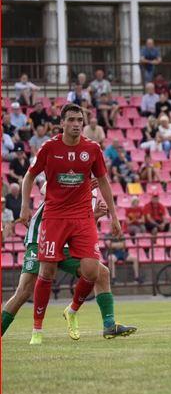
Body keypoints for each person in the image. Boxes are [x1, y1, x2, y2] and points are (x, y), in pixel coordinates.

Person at [17, 104, 122, 345]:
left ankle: (72, 310)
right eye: (72, 120)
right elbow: (30, 176)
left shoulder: (92, 149)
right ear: (62, 123)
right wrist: (24, 206)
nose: (76, 124)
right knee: (47, 272)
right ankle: (37, 330)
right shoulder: (49, 147)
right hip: (54, 217)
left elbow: (103, 181)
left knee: (92, 271)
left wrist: (114, 216)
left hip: (82, 217)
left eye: (80, 120)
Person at [2, 190, 135, 339]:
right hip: (41, 238)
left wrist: (95, 216)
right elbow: (46, 189)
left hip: (67, 243)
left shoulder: (93, 190)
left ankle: (109, 325)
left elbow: (82, 225)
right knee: (24, 291)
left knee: (102, 273)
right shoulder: (71, 177)